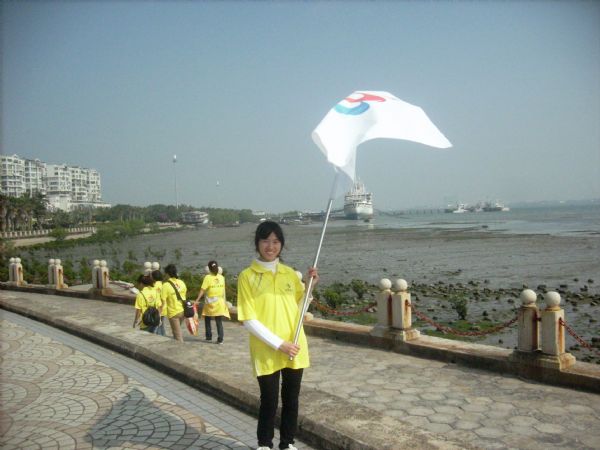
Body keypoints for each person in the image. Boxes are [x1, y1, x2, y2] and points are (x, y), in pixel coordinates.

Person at [237, 221, 318, 450]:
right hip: (267, 348)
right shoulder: (247, 276)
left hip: (294, 344)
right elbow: (248, 319)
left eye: (275, 241)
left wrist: (310, 287)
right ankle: (265, 444)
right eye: (265, 241)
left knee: (291, 399)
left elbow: (299, 308)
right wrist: (279, 344)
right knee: (269, 400)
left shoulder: (289, 273)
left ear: (281, 244)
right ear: (257, 243)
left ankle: (287, 443)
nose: (270, 246)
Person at [195, 260, 230, 344]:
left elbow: (202, 290)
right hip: (220, 302)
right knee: (219, 321)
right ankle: (220, 339)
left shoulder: (207, 277)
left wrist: (197, 300)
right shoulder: (221, 277)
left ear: (209, 269)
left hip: (210, 302)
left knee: (207, 318)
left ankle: (208, 336)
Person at [161, 264, 187, 343]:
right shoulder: (181, 282)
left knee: (177, 335)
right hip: (183, 311)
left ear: (167, 274)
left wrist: (160, 314)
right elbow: (184, 295)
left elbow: (163, 302)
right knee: (176, 332)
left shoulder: (165, 285)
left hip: (174, 313)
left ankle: (180, 348)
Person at [152, 269, 167, 336]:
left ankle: (159, 337)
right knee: (161, 324)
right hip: (163, 307)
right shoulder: (163, 285)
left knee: (156, 326)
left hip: (157, 308)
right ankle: (163, 336)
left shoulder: (153, 285)